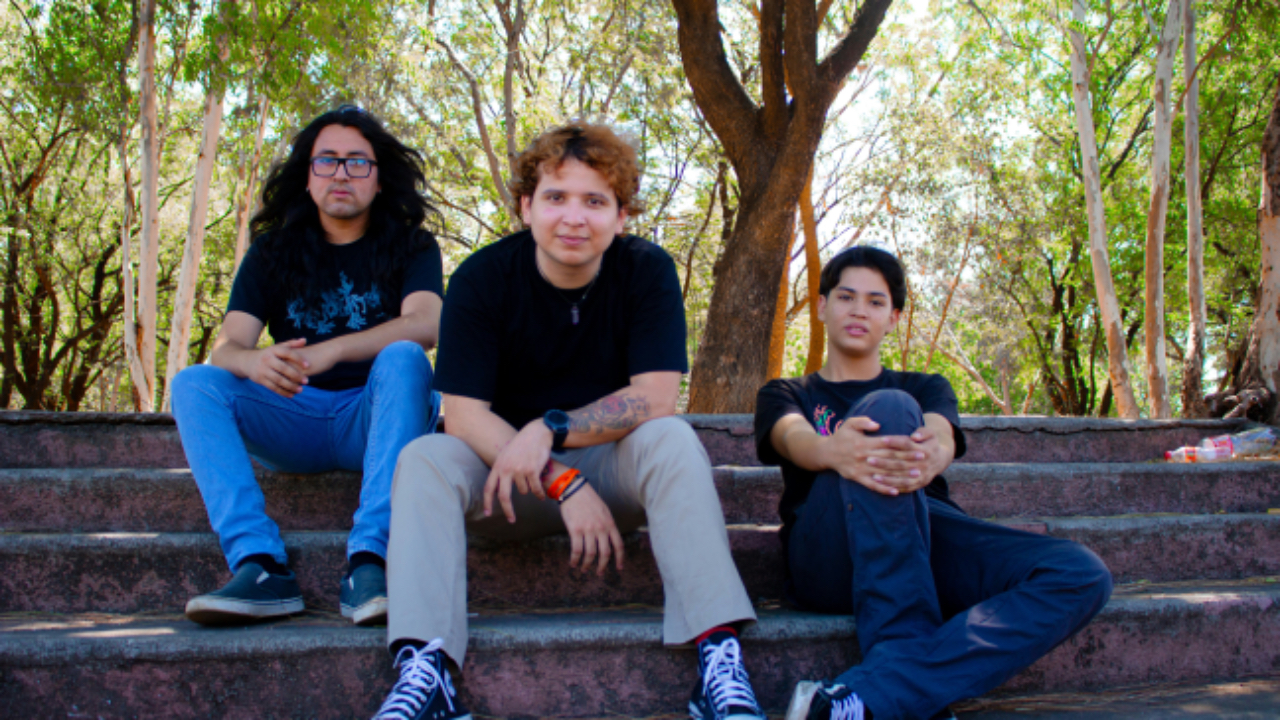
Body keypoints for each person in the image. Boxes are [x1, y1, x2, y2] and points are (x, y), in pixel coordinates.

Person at [370, 122, 763, 720]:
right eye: (556, 197)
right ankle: (427, 670)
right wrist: (562, 480)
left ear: (621, 216)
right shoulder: (481, 279)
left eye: (595, 201)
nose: (573, 218)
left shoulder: (646, 270)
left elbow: (655, 398)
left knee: (672, 438)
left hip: (614, 476)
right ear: (526, 207)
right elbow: (465, 417)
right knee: (424, 456)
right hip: (508, 483)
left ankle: (718, 659)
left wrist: (549, 427)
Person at [754, 246, 1114, 720]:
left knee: (1080, 573)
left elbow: (941, 436)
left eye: (876, 301)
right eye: (845, 297)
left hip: (924, 537)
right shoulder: (787, 393)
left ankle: (881, 694)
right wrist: (832, 452)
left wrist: (934, 454)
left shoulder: (925, 387)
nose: (859, 310)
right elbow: (792, 437)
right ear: (821, 307)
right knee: (889, 408)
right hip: (829, 554)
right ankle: (903, 680)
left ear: (894, 318)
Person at [170, 106, 444, 628]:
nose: (341, 173)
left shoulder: (412, 245)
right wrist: (253, 361)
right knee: (195, 383)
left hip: (374, 420)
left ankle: (370, 562)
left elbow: (427, 324)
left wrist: (333, 349)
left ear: (379, 178)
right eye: (327, 161)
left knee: (406, 358)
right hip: (293, 416)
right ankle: (261, 565)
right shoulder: (272, 251)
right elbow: (227, 347)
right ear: (308, 175)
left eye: (358, 162)